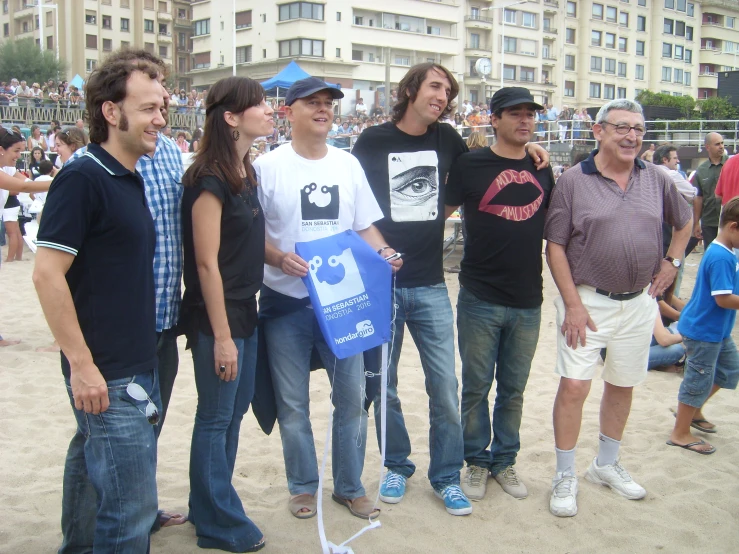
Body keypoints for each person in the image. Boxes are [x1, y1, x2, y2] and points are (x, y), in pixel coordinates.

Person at [351, 63, 548, 516]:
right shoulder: (372, 141)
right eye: (434, 86)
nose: (442, 95)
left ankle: (445, 476)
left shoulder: (448, 141)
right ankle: (397, 466)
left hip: (432, 284)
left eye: (448, 90)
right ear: (411, 90)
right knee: (386, 385)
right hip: (382, 282)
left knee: (444, 386)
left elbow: (490, 160)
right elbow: (352, 205)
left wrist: (530, 145)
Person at [32, 57, 166, 552]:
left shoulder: (128, 175)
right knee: (131, 514)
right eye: (148, 108)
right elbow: (47, 276)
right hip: (107, 374)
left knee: (92, 481)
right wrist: (82, 366)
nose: (160, 119)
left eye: (163, 107)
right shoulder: (83, 176)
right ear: (111, 111)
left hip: (131, 363)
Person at [255, 76, 401, 521]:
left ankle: (350, 487)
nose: (323, 110)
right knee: (292, 403)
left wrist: (385, 252)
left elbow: (364, 227)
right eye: (312, 103)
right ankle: (302, 487)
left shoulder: (347, 165)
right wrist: (279, 258)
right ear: (289, 111)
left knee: (352, 398)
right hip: (286, 303)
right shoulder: (267, 167)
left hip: (343, 304)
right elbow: (250, 236)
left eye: (329, 104)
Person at [543, 99, 693, 518]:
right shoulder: (573, 181)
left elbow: (684, 223)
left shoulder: (658, 178)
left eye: (639, 130)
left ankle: (605, 465)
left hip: (639, 302)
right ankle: (565, 473)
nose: (631, 136)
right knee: (574, 385)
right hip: (588, 302)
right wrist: (572, 303)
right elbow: (554, 246)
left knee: (623, 384)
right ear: (599, 131)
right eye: (622, 127)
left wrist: (673, 262)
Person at [445, 87, 555, 502]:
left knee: (514, 389)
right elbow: (437, 212)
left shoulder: (542, 166)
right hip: (479, 296)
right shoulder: (470, 164)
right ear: (494, 119)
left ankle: (504, 460)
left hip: (528, 298)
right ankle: (476, 460)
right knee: (475, 386)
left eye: (531, 114)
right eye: (515, 113)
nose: (525, 120)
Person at [180, 76, 270, 553]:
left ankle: (208, 506)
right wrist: (220, 336)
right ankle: (218, 521)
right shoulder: (209, 178)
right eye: (258, 104)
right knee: (215, 418)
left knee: (231, 417)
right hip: (217, 315)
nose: (269, 109)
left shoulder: (243, 170)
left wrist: (278, 258)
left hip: (244, 308)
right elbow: (205, 262)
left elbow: (244, 242)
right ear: (231, 117)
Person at [668, 197, 739, 454]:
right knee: (697, 379)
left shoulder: (729, 252)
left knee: (729, 371)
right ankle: (680, 431)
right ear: (733, 227)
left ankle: (694, 411)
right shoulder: (721, 256)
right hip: (703, 331)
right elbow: (723, 298)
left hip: (717, 331)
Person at [692, 132, 727, 249]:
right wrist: (696, 222)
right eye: (717, 144)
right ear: (708, 147)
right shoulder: (701, 170)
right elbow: (698, 197)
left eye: (722, 143)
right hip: (709, 221)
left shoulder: (732, 164)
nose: (721, 146)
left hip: (730, 220)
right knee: (711, 253)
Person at [1, 129, 27, 263]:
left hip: (9, 206)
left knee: (14, 233)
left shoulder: (8, 168)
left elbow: (26, 183)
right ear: (2, 150)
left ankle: (13, 258)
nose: (19, 156)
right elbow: (23, 187)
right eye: (16, 151)